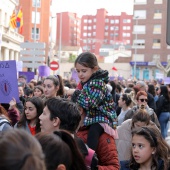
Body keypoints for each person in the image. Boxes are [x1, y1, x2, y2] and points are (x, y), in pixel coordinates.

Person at [74, 52, 118, 152]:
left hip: (103, 117)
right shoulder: (87, 82)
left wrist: (76, 94)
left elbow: (90, 103)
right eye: (78, 71)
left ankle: (90, 158)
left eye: (84, 71)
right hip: (93, 117)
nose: (80, 74)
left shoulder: (97, 82)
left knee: (93, 135)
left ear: (94, 69)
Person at [39, 97, 98, 170]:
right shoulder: (41, 145)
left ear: (55, 121)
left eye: (44, 113)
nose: (40, 117)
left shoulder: (89, 157)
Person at [72, 90, 120, 170]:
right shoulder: (73, 128)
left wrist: (94, 168)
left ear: (80, 109)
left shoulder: (101, 135)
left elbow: (114, 167)